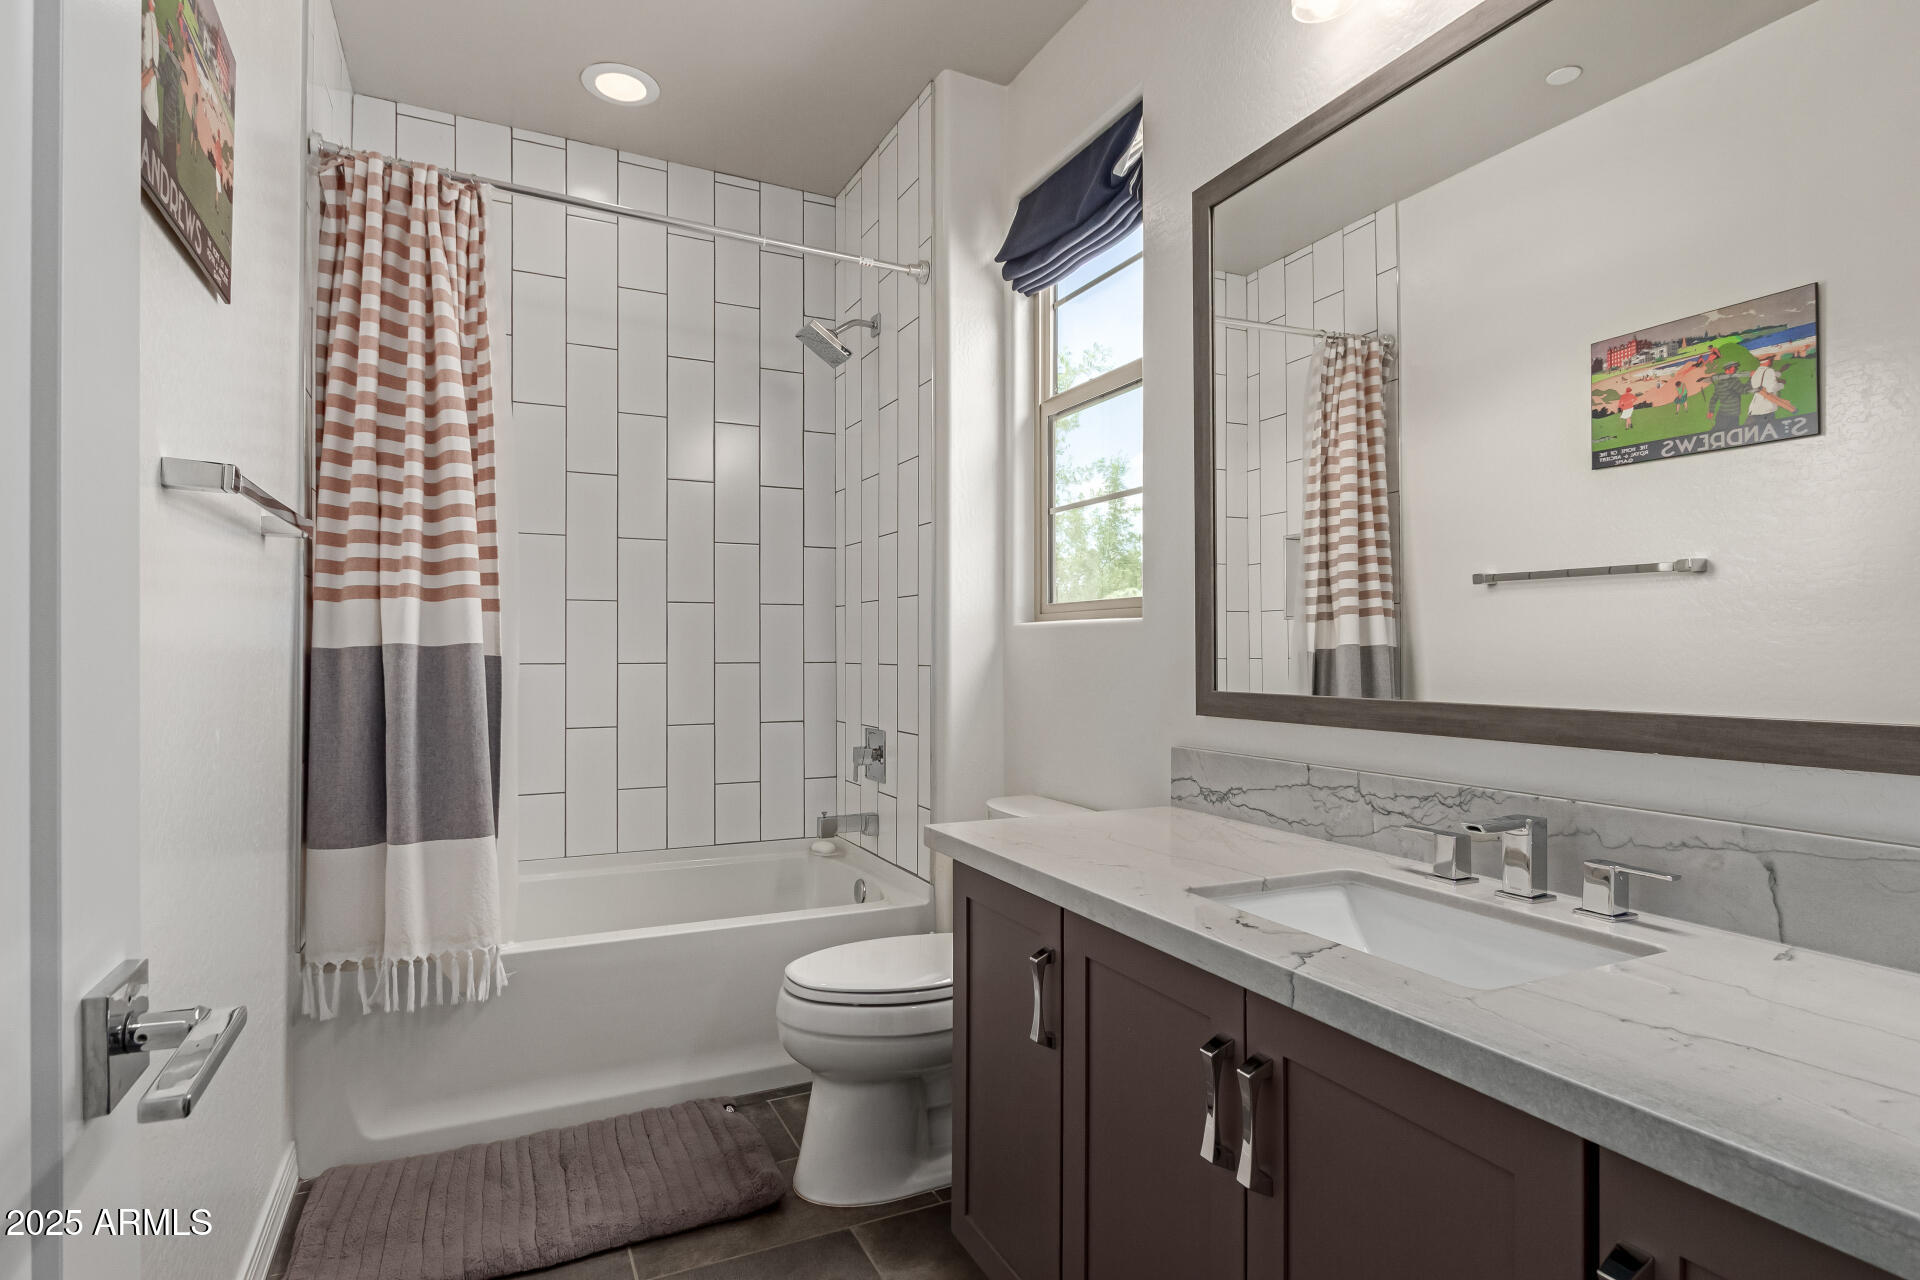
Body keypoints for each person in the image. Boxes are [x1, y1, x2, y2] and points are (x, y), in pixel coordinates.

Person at [1746, 354, 1794, 422]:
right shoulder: (1769, 371)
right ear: (1768, 361)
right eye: (1771, 360)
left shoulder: (1756, 372)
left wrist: (1781, 370)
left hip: (1754, 409)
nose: (1772, 361)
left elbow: (1772, 376)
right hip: (1766, 409)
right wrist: (1781, 384)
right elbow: (1772, 388)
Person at [1706, 361, 1746, 432]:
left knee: (1725, 434)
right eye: (1734, 369)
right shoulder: (1733, 380)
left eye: (1736, 369)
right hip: (1730, 415)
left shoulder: (1720, 382)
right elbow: (1743, 390)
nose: (1736, 371)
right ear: (1727, 370)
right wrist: (1753, 379)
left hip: (1725, 414)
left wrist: (1711, 411)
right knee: (1721, 434)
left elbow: (1714, 398)